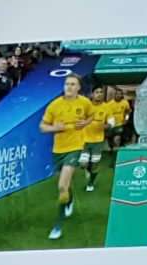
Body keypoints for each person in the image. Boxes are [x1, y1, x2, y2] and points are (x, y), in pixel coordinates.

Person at [41, 72, 96, 240]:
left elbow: (91, 115)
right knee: (65, 185)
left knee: (62, 186)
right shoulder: (54, 105)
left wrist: (85, 123)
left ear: (79, 87)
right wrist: (54, 129)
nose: (69, 87)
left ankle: (58, 226)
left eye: (73, 84)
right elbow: (43, 127)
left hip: (75, 147)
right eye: (67, 84)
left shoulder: (85, 102)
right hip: (58, 149)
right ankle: (69, 200)